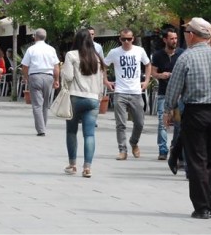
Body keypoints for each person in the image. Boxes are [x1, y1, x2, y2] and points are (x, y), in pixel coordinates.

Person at [164, 17, 211, 219]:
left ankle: (201, 207)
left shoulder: (186, 58)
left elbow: (174, 87)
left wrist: (168, 110)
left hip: (195, 112)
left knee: (197, 160)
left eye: (187, 32)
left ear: (191, 35)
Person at [62, 29, 110, 178]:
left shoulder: (71, 55)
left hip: (76, 96)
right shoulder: (97, 57)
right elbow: (102, 80)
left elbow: (69, 76)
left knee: (71, 131)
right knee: (89, 134)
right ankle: (87, 167)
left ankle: (72, 164)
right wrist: (100, 97)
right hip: (93, 98)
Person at [103, 28, 152, 160]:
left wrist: (146, 81)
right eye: (123, 39)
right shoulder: (114, 52)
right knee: (121, 124)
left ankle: (134, 142)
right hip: (120, 92)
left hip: (136, 91)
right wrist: (105, 80)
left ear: (133, 39)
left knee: (140, 122)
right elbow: (103, 65)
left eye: (129, 39)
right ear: (120, 39)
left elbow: (148, 65)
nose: (126, 41)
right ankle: (122, 150)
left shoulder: (139, 50)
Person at [151, 28, 184, 160]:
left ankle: (174, 146)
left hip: (179, 95)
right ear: (165, 40)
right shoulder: (158, 55)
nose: (174, 41)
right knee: (162, 122)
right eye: (171, 38)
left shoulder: (182, 54)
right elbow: (153, 73)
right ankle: (162, 150)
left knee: (178, 123)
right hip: (163, 94)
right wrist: (161, 75)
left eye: (176, 38)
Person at [21, 28, 60, 136]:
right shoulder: (51, 49)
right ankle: (43, 126)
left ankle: (41, 129)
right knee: (45, 104)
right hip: (48, 76)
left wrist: (26, 77)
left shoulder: (31, 49)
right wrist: (57, 80)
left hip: (35, 76)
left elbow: (25, 65)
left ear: (35, 37)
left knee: (37, 104)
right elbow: (56, 66)